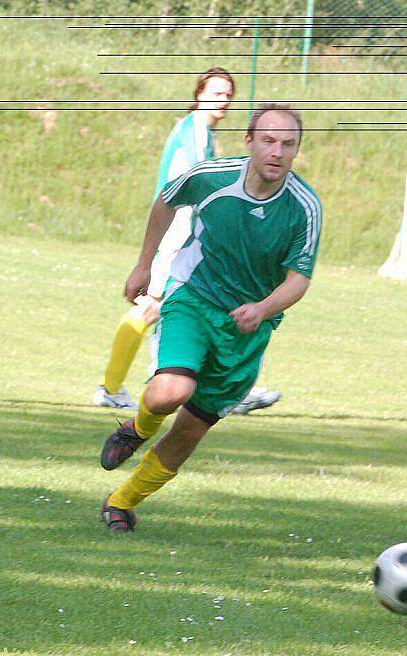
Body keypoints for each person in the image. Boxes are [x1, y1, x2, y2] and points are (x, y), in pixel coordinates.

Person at [99, 104, 322, 532]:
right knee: (170, 391)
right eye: (269, 141)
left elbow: (299, 279)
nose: (277, 151)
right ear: (250, 142)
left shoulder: (304, 206)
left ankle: (121, 502)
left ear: (296, 150)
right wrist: (143, 264)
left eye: (288, 144)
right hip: (194, 300)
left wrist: (262, 308)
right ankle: (138, 429)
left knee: (189, 432)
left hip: (246, 330)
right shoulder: (214, 176)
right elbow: (167, 199)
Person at [92, 68, 281, 415]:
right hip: (179, 234)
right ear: (199, 95)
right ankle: (121, 386)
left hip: (186, 233)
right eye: (216, 93)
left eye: (228, 95)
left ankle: (228, 388)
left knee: (196, 304)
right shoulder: (194, 127)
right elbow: (200, 173)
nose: (222, 100)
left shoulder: (201, 130)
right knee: (155, 306)